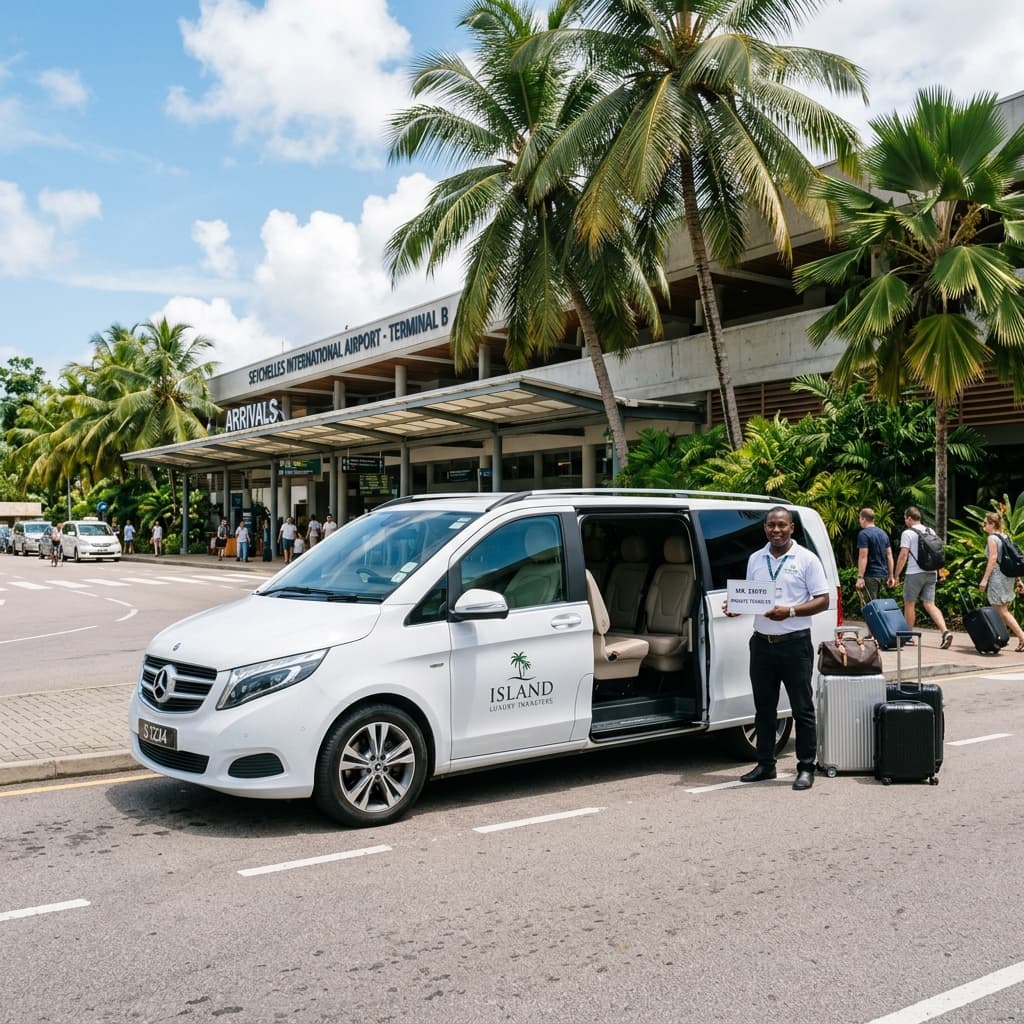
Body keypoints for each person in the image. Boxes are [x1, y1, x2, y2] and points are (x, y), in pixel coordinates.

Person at [725, 506, 830, 791]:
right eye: (771, 525)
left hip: (794, 644)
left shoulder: (806, 559)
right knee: (764, 708)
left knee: (802, 708)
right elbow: (751, 597)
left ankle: (806, 767)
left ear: (791, 528)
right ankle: (765, 764)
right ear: (765, 528)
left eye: (782, 525)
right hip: (762, 644)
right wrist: (735, 608)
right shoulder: (755, 559)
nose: (776, 530)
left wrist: (791, 612)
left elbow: (823, 600)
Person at [894, 507, 953, 649]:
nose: (905, 521)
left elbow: (903, 555)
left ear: (909, 518)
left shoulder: (907, 533)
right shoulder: (930, 531)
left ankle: (908, 636)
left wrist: (895, 575)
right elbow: (936, 552)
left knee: (910, 603)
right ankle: (945, 631)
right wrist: (939, 571)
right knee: (929, 604)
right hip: (932, 572)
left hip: (914, 573)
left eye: (905, 518)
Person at [979, 511, 1024, 652]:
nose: (983, 525)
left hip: (998, 577)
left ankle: (1022, 636)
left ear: (992, 524)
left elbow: (993, 559)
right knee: (1000, 609)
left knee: (1001, 610)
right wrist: (1018, 580)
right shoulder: (1005, 537)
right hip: (1008, 577)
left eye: (985, 523)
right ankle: (1000, 637)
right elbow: (1011, 558)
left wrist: (984, 580)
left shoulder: (992, 538)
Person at [855, 507, 895, 603]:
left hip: (871, 576)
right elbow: (889, 556)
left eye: (860, 519)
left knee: (871, 608)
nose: (860, 521)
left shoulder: (863, 534)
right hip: (883, 575)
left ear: (863, 519)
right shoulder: (883, 533)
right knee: (881, 607)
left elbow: (863, 557)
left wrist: (860, 577)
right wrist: (891, 576)